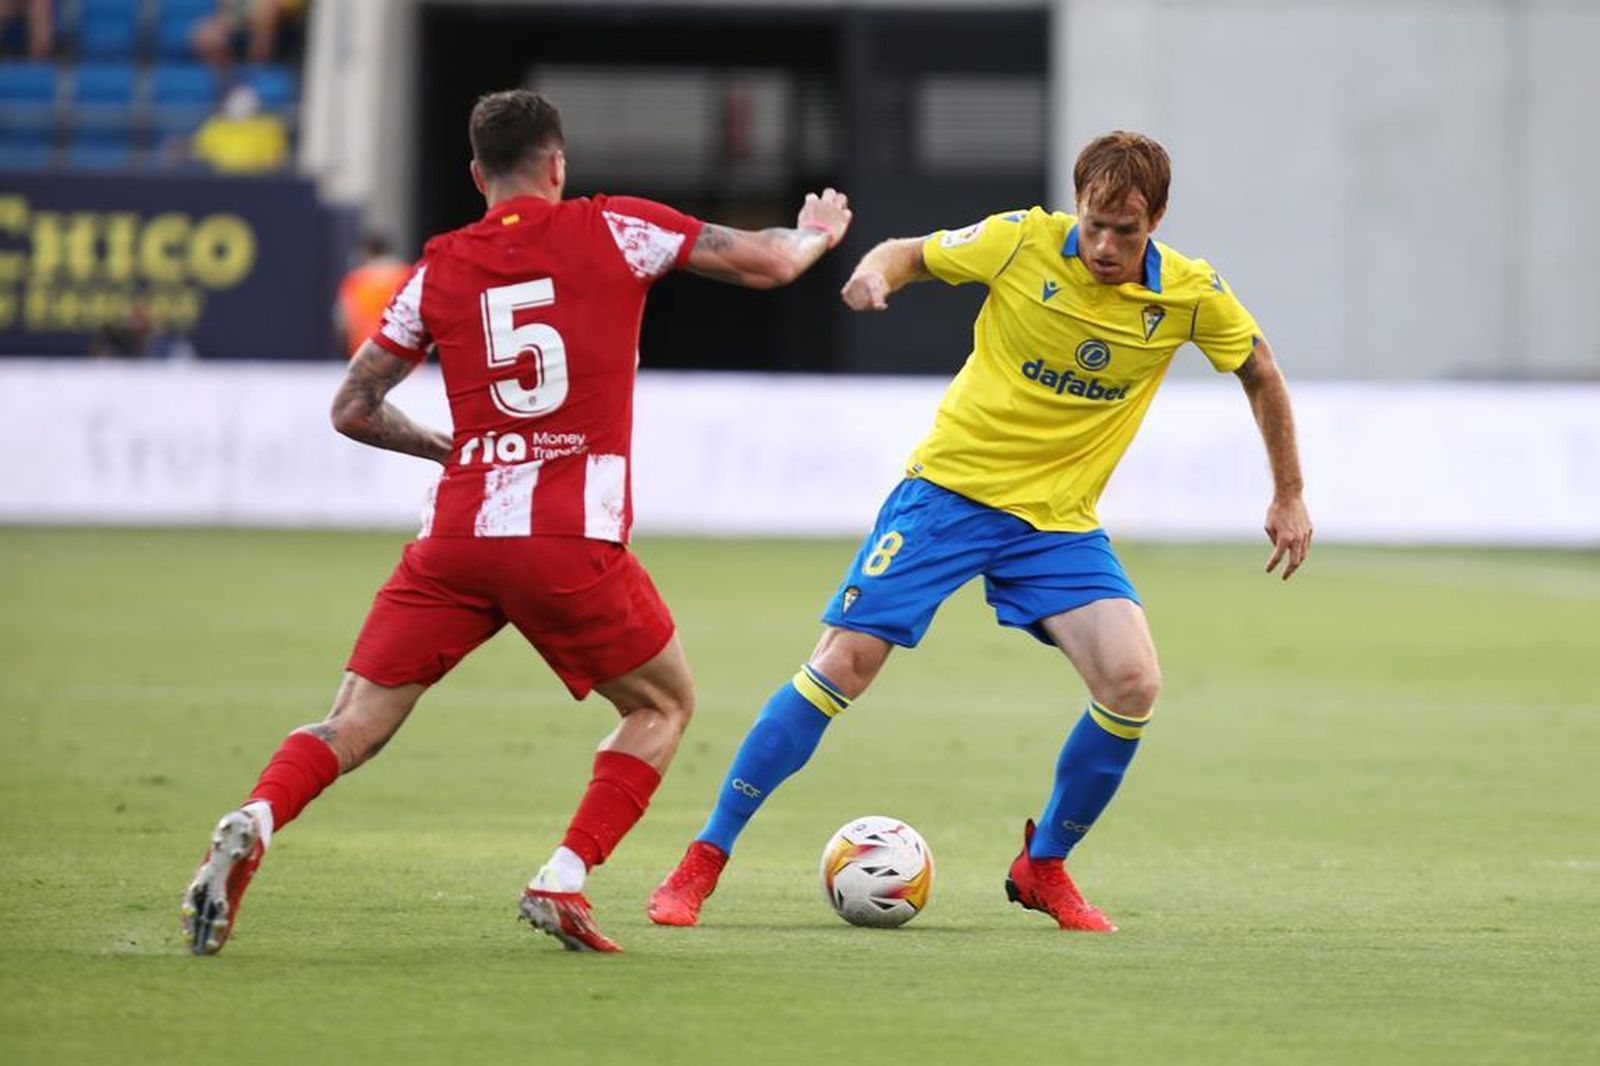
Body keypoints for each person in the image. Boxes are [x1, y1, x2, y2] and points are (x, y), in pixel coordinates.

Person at [181, 88, 853, 955]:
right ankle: (563, 876)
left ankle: (259, 814)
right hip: (568, 539)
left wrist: (445, 450)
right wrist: (816, 233)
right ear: (558, 165)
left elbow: (352, 407)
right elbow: (770, 264)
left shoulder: (437, 267)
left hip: (457, 537)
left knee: (352, 720)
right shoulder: (615, 227)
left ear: (477, 175)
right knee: (661, 704)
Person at [649, 131, 1313, 933]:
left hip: (1056, 524)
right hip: (948, 495)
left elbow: (1260, 370)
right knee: (843, 664)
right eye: (1094, 224)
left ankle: (1044, 866)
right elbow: (907, 253)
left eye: (1126, 231)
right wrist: (875, 274)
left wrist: (1289, 493)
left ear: (1158, 221)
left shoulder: (1190, 294)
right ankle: (703, 859)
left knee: (1132, 682)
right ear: (1077, 206)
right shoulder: (1021, 240)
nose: (1105, 246)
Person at [335, 233, 412, 358]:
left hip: (364, 351)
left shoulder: (355, 280)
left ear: (366, 252)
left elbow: (343, 322)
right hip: (404, 351)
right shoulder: (408, 275)